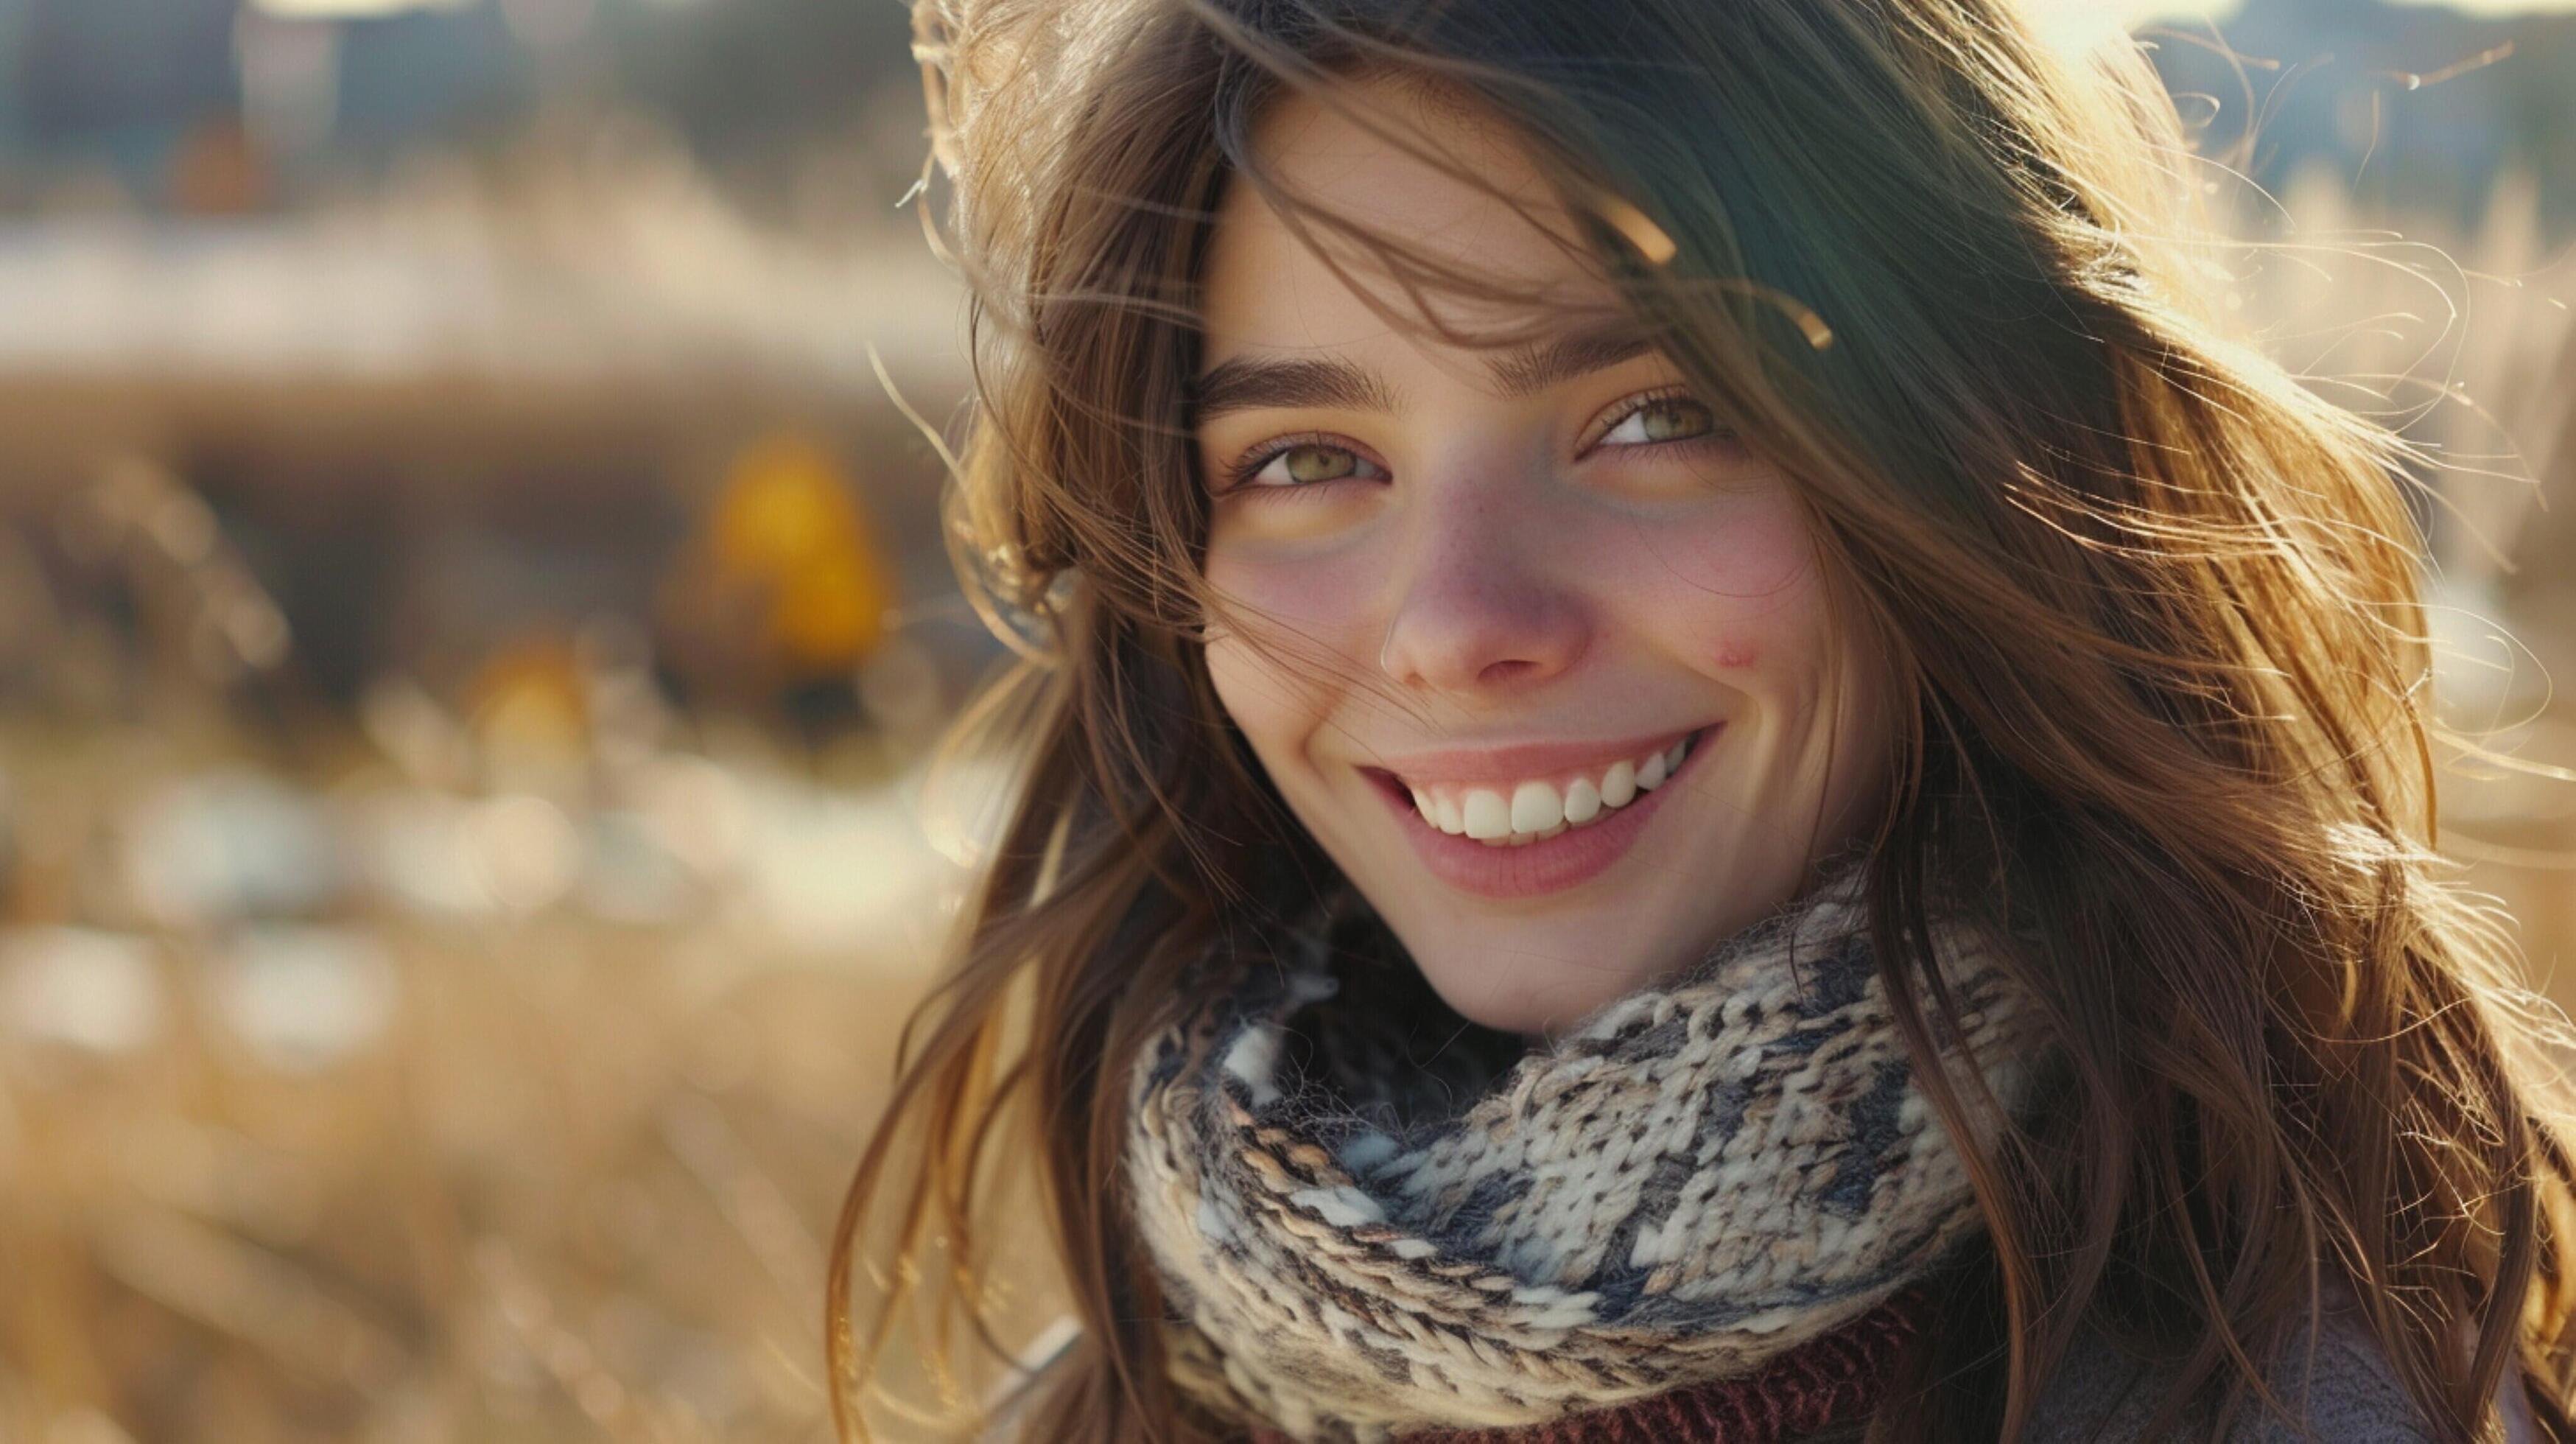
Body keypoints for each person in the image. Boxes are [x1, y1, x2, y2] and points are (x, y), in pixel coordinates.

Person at [829, 0, 2576, 1439]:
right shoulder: (1119, 1391)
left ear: (1981, 469)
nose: (1452, 629)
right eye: (1305, 460)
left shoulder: (2286, 1390)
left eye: (1656, 415)